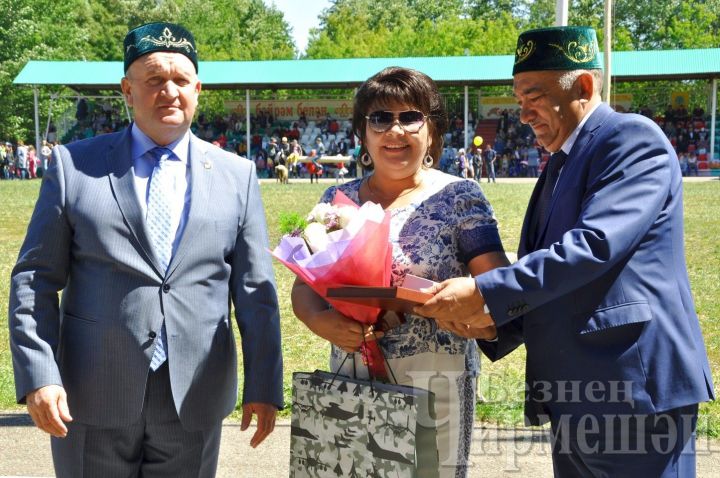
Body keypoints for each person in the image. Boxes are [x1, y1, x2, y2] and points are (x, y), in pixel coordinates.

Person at [416, 26, 714, 477]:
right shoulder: (560, 161)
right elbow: (556, 280)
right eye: (518, 100)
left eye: (534, 96)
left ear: (585, 87)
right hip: (577, 399)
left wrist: (484, 292)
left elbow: (592, 247)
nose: (524, 113)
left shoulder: (631, 139)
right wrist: (492, 325)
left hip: (635, 396)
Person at [8, 22, 283, 478]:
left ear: (198, 89)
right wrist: (39, 373)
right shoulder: (74, 166)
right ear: (127, 90)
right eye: (154, 79)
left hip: (193, 395)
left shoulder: (238, 175)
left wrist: (264, 381)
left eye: (180, 80)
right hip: (90, 393)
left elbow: (255, 289)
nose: (169, 91)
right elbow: (34, 279)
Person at [290, 66, 508, 478]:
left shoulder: (459, 196)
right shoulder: (335, 201)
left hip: (434, 382)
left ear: (432, 130)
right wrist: (321, 321)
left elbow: (496, 284)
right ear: (362, 133)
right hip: (351, 377)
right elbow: (304, 286)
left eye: (410, 117)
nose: (395, 130)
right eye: (380, 118)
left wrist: (471, 309)